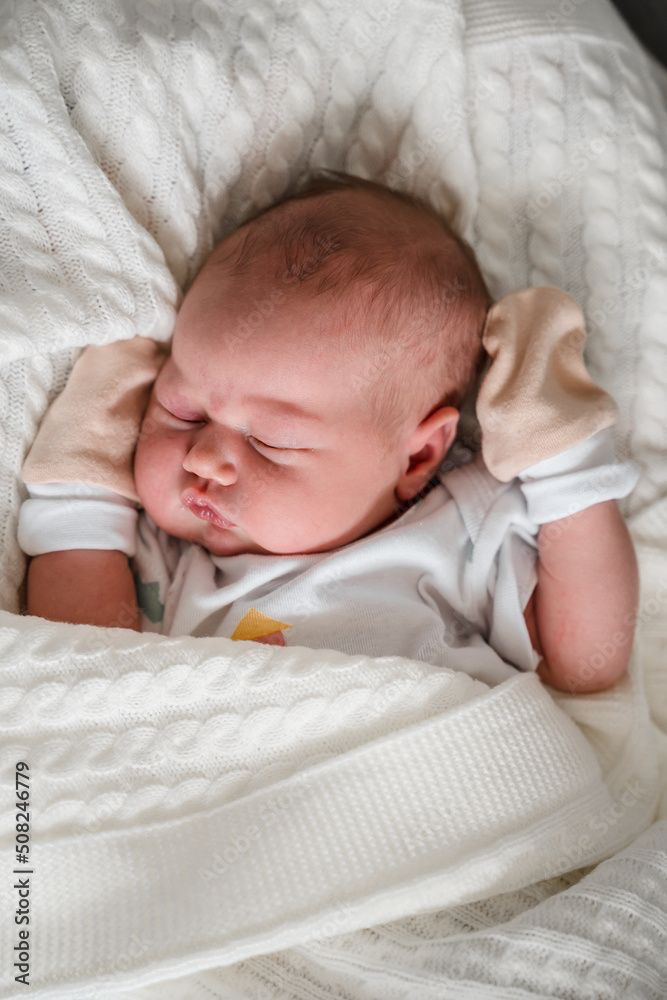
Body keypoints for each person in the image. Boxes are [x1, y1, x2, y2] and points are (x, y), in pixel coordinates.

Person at [17, 171, 641, 693]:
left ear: (418, 455)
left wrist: (563, 464)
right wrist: (85, 476)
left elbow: (586, 665)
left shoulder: (460, 532)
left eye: (270, 441)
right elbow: (87, 667)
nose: (203, 458)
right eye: (181, 410)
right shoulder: (169, 558)